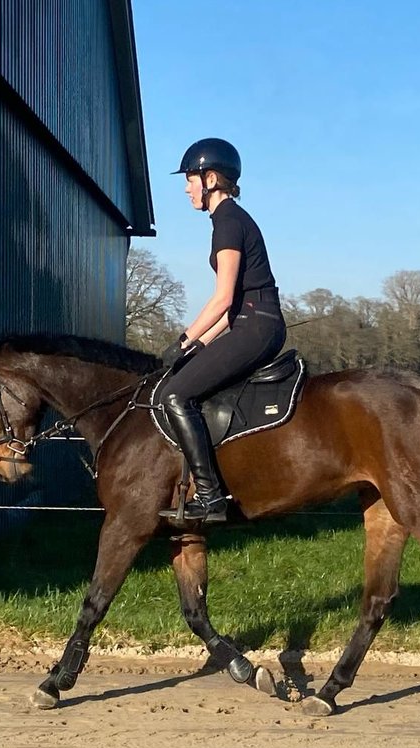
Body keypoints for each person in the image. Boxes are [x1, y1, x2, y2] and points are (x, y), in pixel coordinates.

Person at [158, 138, 287, 524]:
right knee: (185, 377)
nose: (186, 188)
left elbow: (222, 299)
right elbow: (228, 315)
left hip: (258, 325)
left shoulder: (228, 222)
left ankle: (211, 497)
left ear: (210, 178)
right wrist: (198, 346)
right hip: (248, 322)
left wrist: (183, 340)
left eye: (190, 179)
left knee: (175, 394)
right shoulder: (229, 220)